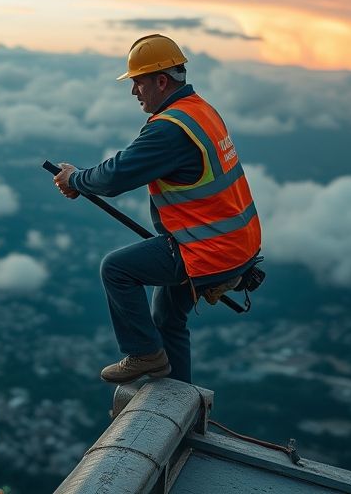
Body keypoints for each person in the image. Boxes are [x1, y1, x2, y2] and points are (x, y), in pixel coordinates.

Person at [53, 34, 262, 384]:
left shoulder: (170, 129)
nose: (134, 91)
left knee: (117, 269)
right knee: (166, 316)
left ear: (160, 81)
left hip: (207, 248)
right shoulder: (201, 110)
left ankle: (144, 354)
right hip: (237, 243)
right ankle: (178, 393)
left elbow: (115, 177)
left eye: (138, 82)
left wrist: (75, 180)